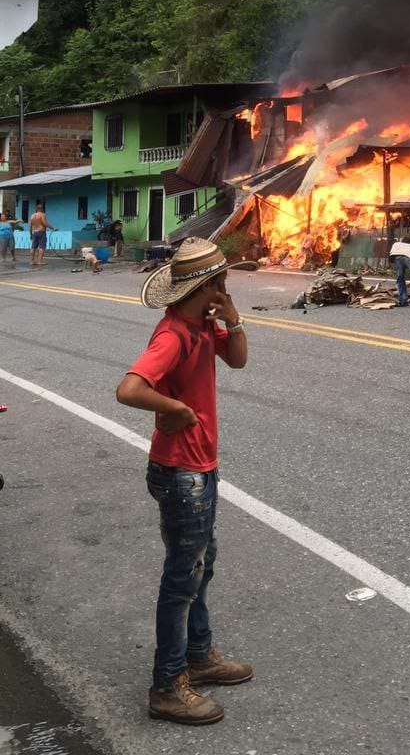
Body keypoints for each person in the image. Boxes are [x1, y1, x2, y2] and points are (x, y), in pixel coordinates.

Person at [115, 237, 252, 726]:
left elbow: (237, 359)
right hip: (181, 474)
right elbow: (129, 389)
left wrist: (232, 317)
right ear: (210, 283)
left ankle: (199, 655)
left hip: (199, 468)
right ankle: (167, 685)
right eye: (223, 281)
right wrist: (174, 408)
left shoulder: (201, 325)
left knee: (200, 567)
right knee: (182, 579)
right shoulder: (173, 333)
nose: (227, 285)